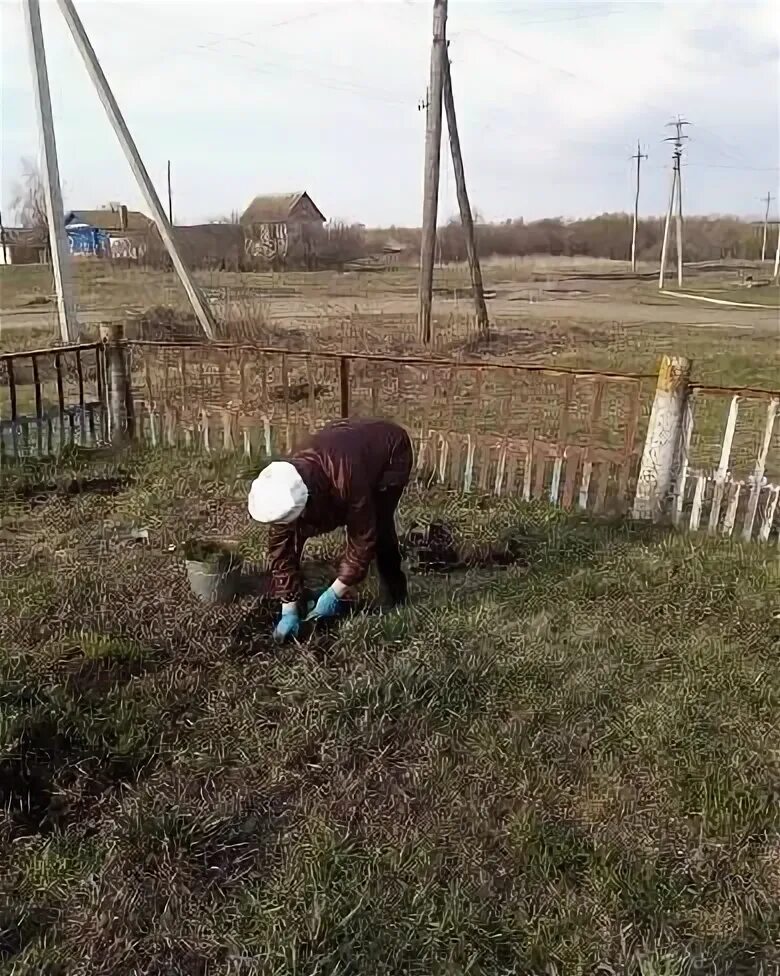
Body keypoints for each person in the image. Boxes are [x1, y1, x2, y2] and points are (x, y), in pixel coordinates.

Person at [247, 418, 413, 642]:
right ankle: (327, 592)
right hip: (346, 444)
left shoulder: (345, 478)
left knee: (378, 526)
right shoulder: (283, 486)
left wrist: (334, 593)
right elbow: (281, 549)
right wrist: (289, 606)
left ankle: (396, 597)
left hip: (390, 454)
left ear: (308, 501)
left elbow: (363, 536)